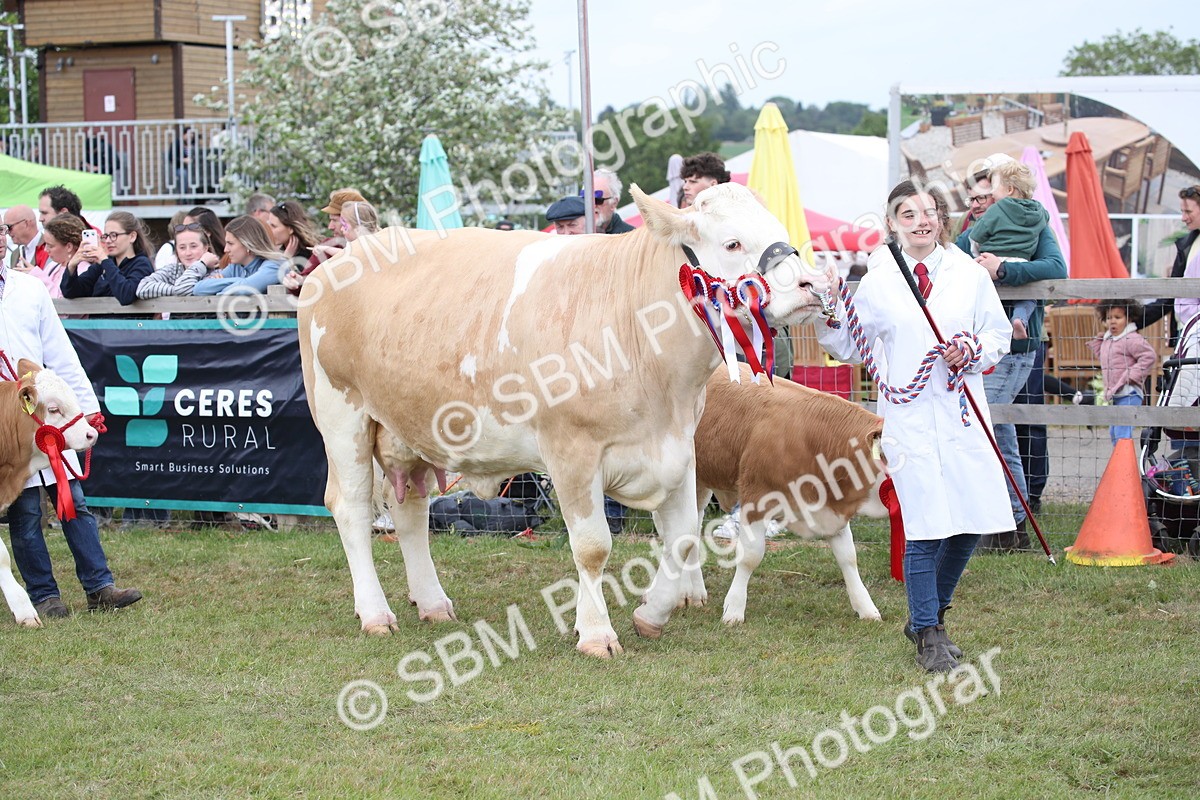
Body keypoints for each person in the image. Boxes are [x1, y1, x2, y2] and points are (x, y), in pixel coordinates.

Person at [817, 180, 1014, 673]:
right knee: (925, 525)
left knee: (973, 521)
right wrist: (828, 304)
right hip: (909, 420)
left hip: (962, 415)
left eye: (928, 212)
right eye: (908, 214)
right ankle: (928, 631)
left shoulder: (969, 274)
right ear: (893, 223)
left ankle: (932, 613)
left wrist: (973, 349)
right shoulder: (880, 280)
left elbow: (998, 332)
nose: (920, 220)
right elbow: (849, 345)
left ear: (941, 220)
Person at [3, 259, 142, 618]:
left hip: (52, 413)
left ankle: (100, 587)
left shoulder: (29, 287)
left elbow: (59, 351)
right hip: (9, 421)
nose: (0, 238)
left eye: (2, 230)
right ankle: (44, 597)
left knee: (73, 502)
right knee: (26, 510)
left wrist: (85, 408)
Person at [954, 161, 1067, 552]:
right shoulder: (968, 230)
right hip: (974, 345)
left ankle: (1010, 521)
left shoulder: (1033, 225)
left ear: (1001, 193)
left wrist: (1002, 270)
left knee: (990, 425)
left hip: (1014, 345)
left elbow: (1056, 268)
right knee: (995, 427)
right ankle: (1007, 521)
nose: (979, 203)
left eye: (985, 195)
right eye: (973, 198)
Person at [967, 160, 1047, 341]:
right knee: (1028, 298)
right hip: (1021, 262)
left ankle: (990, 327)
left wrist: (976, 251)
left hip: (993, 260)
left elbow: (978, 233)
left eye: (994, 188)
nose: (992, 195)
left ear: (1009, 189)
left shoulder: (997, 209)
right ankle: (1019, 319)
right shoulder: (1040, 211)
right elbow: (1045, 221)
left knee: (985, 295)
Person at [1087, 300, 1158, 446]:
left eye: (1118, 318)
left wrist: (1132, 375)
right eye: (1108, 318)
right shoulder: (1109, 339)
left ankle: (1124, 465)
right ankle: (1120, 463)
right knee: (1114, 432)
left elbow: (1149, 356)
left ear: (1129, 318)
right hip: (1116, 393)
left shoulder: (1131, 338)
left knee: (1122, 433)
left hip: (1129, 393)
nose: (1112, 322)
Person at [283, 200, 380, 294]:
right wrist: (299, 280)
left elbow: (354, 255)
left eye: (336, 220)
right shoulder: (330, 246)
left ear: (357, 224)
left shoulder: (378, 246)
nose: (330, 226)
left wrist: (327, 249)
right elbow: (309, 279)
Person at [60, 211, 155, 305]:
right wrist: (72, 266)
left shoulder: (142, 264)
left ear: (132, 236)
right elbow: (71, 292)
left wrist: (106, 262)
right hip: (97, 320)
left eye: (114, 235)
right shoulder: (101, 265)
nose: (108, 241)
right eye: (106, 236)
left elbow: (126, 295)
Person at [193, 215, 286, 296]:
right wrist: (239, 280)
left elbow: (244, 289)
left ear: (248, 243)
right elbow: (199, 289)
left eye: (230, 243)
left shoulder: (276, 263)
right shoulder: (236, 267)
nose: (225, 250)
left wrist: (219, 285)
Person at [137, 223, 219, 297]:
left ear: (205, 248)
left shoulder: (215, 273)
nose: (188, 253)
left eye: (193, 246)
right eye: (182, 248)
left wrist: (202, 264)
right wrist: (177, 289)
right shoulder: (172, 270)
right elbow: (142, 287)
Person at [31, 213, 85, 298]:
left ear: (69, 247)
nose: (45, 249)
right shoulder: (52, 266)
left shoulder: (84, 269)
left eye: (50, 245)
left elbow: (63, 300)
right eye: (45, 244)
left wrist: (37, 276)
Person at [1171, 186, 1200, 330]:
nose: (1183, 218)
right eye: (1182, 212)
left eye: (1188, 211)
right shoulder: (1186, 244)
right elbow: (1172, 292)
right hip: (1188, 331)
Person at [264, 200, 319, 274]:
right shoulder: (278, 251)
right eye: (268, 225)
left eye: (273, 226)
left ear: (290, 229)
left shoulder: (309, 256)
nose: (268, 230)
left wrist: (286, 259)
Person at [2, 204, 49, 271]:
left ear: (26, 223)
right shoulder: (15, 254)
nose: (7, 232)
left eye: (10, 227)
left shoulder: (50, 246)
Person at [590, 169, 634, 233]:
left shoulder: (630, 237)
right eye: (585, 200)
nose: (592, 205)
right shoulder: (575, 233)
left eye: (597, 200)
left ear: (614, 203)